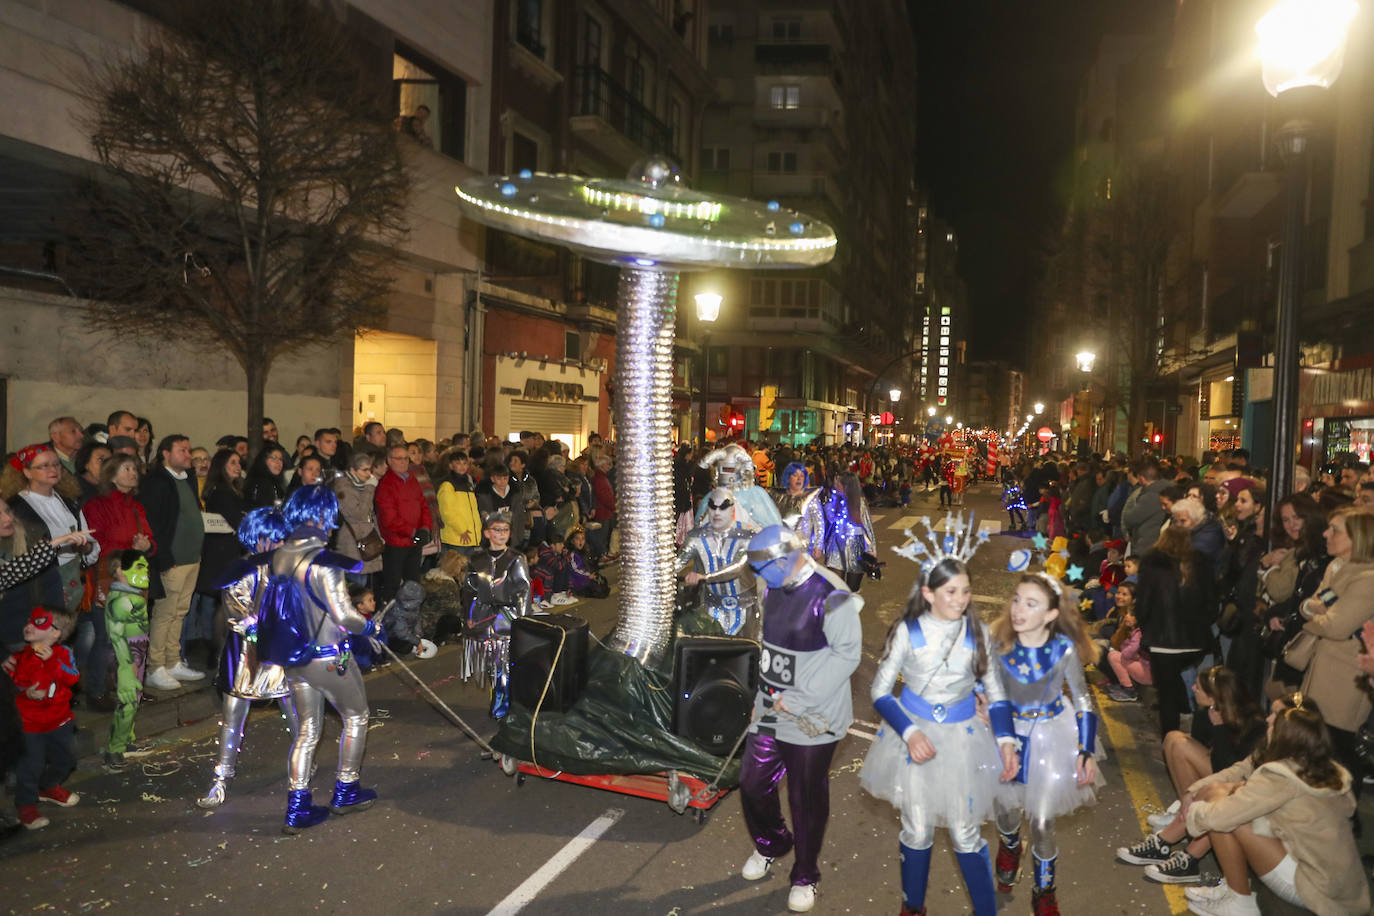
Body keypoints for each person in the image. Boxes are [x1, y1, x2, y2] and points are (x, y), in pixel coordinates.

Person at [860, 555, 1018, 916]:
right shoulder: (908, 631)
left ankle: (986, 911)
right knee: (917, 831)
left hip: (963, 741)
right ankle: (913, 908)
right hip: (915, 740)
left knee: (965, 834)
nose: (961, 599)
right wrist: (910, 732)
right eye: (951, 591)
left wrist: (1006, 741)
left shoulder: (976, 633)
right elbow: (881, 691)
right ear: (928, 594)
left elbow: (996, 691)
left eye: (965, 591)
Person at [738, 525, 863, 914]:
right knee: (752, 783)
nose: (755, 578)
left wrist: (801, 698)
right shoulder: (773, 587)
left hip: (814, 717)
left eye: (760, 570)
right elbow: (771, 649)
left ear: (781, 561)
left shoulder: (833, 596)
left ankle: (805, 874)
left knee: (804, 799)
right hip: (772, 709)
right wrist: (763, 697)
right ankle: (772, 844)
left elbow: (848, 655)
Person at [254, 485, 377, 833]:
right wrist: (372, 627)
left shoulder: (277, 556)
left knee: (307, 730)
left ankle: (297, 807)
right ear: (324, 516)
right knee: (356, 716)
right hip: (328, 656)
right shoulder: (323, 561)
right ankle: (346, 789)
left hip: (293, 657)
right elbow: (346, 617)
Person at [1181, 699, 1368, 916]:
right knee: (1230, 804)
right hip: (1339, 885)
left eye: (1273, 722)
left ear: (1286, 736)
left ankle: (1240, 902)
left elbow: (1218, 818)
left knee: (1227, 816)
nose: (1267, 721)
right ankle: (1233, 889)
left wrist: (1193, 812)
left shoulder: (1282, 774)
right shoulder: (1323, 766)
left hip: (1313, 887)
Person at [990, 573, 1101, 915]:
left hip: (1050, 736)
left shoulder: (1062, 650)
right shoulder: (999, 643)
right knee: (1006, 810)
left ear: (1051, 615)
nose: (1019, 609)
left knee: (1041, 821)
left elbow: (1082, 698)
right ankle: (1010, 844)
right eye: (1017, 600)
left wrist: (1086, 749)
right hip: (1004, 733)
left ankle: (1044, 889)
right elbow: (987, 692)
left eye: (1031, 603)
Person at [1116, 666, 1266, 885]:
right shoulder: (1207, 711)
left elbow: (1229, 768)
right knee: (1174, 739)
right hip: (1225, 777)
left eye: (1199, 686)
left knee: (1211, 786)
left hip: (1236, 783)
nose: (1193, 688)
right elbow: (1209, 752)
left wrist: (1220, 728)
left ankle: (1174, 843)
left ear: (1215, 696)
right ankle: (1185, 814)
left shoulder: (1254, 724)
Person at [196, 508, 299, 809]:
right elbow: (236, 612)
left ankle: (302, 762)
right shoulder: (241, 570)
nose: (280, 544)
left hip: (279, 652)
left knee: (293, 709)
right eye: (274, 538)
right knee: (233, 717)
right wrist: (257, 631)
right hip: (246, 655)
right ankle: (221, 778)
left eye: (283, 538)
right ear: (258, 538)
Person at [1289, 506, 1374, 797]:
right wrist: (1317, 613)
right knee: (1317, 745)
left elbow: (1336, 625)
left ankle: (1346, 821)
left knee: (1339, 749)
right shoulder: (1336, 567)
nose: (1326, 534)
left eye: (1335, 529)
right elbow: (1307, 604)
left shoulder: (1368, 578)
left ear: (1358, 538)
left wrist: (1315, 616)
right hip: (1321, 668)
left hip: (1347, 676)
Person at [139, 434, 206, 690]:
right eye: (183, 451)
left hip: (191, 559)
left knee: (180, 613)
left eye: (189, 450)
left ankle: (173, 660)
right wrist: (164, 557)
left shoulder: (186, 478)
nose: (188, 455)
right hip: (173, 560)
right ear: (166, 453)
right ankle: (155, 666)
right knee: (165, 614)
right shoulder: (158, 482)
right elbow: (154, 522)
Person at [1136, 525, 1215, 737]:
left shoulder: (1152, 565)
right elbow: (1211, 602)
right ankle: (1192, 723)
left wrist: (1147, 629)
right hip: (1194, 642)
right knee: (1177, 680)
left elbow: (1143, 605)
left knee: (1167, 694)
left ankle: (1170, 740)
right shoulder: (1201, 564)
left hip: (1162, 641)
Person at [9, 606, 81, 830]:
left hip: (60, 721)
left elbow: (72, 678)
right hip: (30, 725)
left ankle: (48, 786)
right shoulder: (19, 658)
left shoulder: (64, 654)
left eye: (38, 622)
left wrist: (51, 662)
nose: (28, 625)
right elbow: (12, 683)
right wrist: (25, 692)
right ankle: (26, 805)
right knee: (30, 766)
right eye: (29, 621)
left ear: (56, 633)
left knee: (66, 760)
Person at [461, 509, 532, 719]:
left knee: (505, 665)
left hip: (507, 618)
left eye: (506, 530)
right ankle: (501, 701)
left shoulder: (516, 559)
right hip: (484, 617)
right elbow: (469, 590)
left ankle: (505, 706)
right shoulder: (476, 559)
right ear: (487, 533)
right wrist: (469, 616)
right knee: (493, 665)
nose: (501, 534)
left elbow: (523, 589)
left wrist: (521, 619)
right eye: (497, 530)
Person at [676, 487, 760, 638]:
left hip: (745, 608)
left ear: (733, 509)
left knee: (747, 654)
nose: (717, 512)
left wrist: (704, 577)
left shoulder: (748, 536)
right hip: (710, 610)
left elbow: (738, 567)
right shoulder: (696, 537)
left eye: (723, 507)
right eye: (713, 506)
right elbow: (676, 565)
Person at [102, 550, 150, 772]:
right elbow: (117, 636)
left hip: (137, 655)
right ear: (120, 571)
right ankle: (114, 749)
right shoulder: (121, 601)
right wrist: (126, 667)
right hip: (127, 657)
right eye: (140, 567)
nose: (146, 571)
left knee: (134, 699)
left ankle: (127, 740)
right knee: (127, 702)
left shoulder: (133, 596)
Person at [374, 443, 432, 605]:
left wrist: (425, 528)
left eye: (406, 458)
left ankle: (411, 619)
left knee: (413, 584)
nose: (404, 462)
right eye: (399, 459)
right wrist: (414, 532)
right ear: (390, 460)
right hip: (395, 543)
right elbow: (389, 518)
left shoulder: (412, 479)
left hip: (414, 542)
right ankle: (390, 622)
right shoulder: (386, 484)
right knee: (392, 586)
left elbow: (423, 505)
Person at [332, 451, 383, 586]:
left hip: (367, 539)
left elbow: (370, 514)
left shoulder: (362, 485)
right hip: (352, 544)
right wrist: (370, 488)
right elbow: (359, 513)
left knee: (368, 587)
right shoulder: (343, 487)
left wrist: (378, 534)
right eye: (364, 470)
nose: (369, 474)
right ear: (352, 470)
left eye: (370, 470)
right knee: (357, 585)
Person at [436, 449, 481, 556]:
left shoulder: (469, 484)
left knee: (464, 570)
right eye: (458, 463)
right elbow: (447, 512)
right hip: (456, 537)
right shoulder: (447, 485)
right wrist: (461, 530)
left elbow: (473, 511)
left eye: (464, 463)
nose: (462, 466)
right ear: (451, 465)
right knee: (454, 570)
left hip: (470, 536)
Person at [243, 443, 288, 509]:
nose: (278, 462)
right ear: (264, 460)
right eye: (274, 458)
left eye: (280, 459)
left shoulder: (276, 483)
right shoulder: (260, 482)